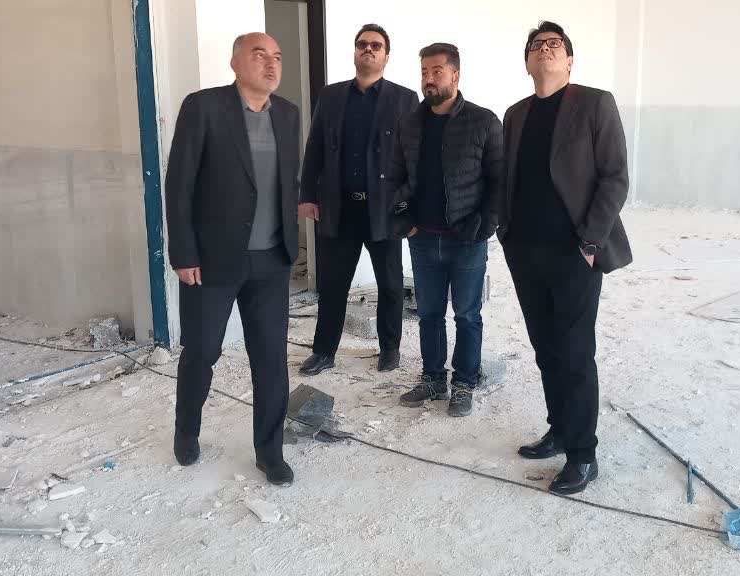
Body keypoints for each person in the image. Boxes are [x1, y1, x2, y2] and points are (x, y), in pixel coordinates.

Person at [499, 22, 632, 495]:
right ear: (527, 62)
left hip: (575, 252)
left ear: (570, 61)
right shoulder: (515, 114)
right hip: (525, 250)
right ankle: (558, 429)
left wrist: (590, 242)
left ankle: (582, 454)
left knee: (575, 353)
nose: (545, 49)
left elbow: (615, 177)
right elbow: (508, 178)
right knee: (546, 349)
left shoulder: (595, 104)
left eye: (554, 44)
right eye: (536, 45)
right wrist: (505, 232)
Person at [164, 33, 300, 486]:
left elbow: (288, 183)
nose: (271, 64)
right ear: (235, 62)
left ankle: (270, 452)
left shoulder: (288, 114)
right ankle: (187, 431)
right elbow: (179, 184)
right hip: (211, 261)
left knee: (271, 360)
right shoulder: (204, 107)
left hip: (272, 261)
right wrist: (183, 252)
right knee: (202, 351)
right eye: (260, 55)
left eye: (277, 57)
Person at [385, 43, 503, 418]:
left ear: (455, 75)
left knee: (467, 315)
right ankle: (433, 378)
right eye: (424, 72)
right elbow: (395, 177)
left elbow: (500, 181)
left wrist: (483, 226)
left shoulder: (484, 122)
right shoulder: (409, 124)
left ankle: (464, 382)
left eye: (437, 71)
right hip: (422, 239)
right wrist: (404, 220)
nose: (429, 79)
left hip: (466, 240)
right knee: (429, 315)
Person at [297, 24, 418, 376]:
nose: (368, 49)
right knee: (333, 285)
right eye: (362, 44)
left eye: (376, 45)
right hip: (339, 207)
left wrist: (410, 207)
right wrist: (307, 195)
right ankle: (324, 352)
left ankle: (390, 349)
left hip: (384, 209)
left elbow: (414, 158)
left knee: (390, 284)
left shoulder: (404, 99)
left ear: (386, 56)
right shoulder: (331, 96)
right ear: (354, 51)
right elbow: (315, 147)